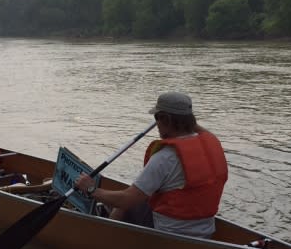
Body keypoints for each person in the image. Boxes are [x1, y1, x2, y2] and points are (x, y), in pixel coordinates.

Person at [74, 91, 228, 238]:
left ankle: (105, 237)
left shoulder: (164, 158)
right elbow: (191, 126)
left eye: (157, 118)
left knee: (124, 202)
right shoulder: (212, 142)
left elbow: (126, 200)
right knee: (144, 193)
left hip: (169, 233)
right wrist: (182, 118)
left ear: (166, 120)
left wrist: (90, 189)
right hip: (205, 230)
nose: (156, 124)